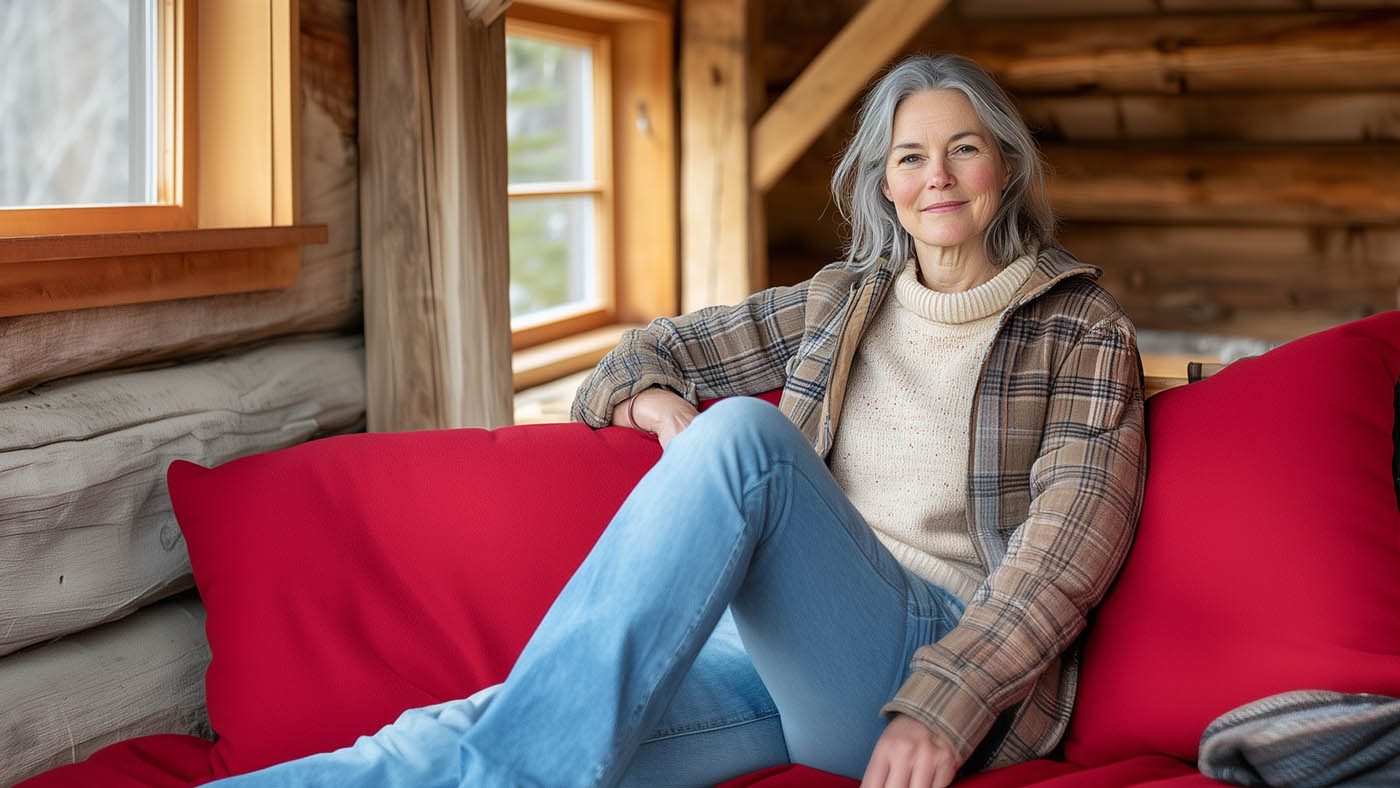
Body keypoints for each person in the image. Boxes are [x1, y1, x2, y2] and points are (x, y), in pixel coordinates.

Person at [209, 53, 1146, 788]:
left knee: (747, 440)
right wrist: (660, 409)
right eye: (911, 156)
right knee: (474, 734)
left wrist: (947, 699)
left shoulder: (1078, 330)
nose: (937, 176)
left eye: (964, 149)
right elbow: (635, 357)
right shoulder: (844, 303)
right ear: (884, 185)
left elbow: (1062, 562)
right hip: (788, 668)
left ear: (1007, 167)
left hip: (930, 672)